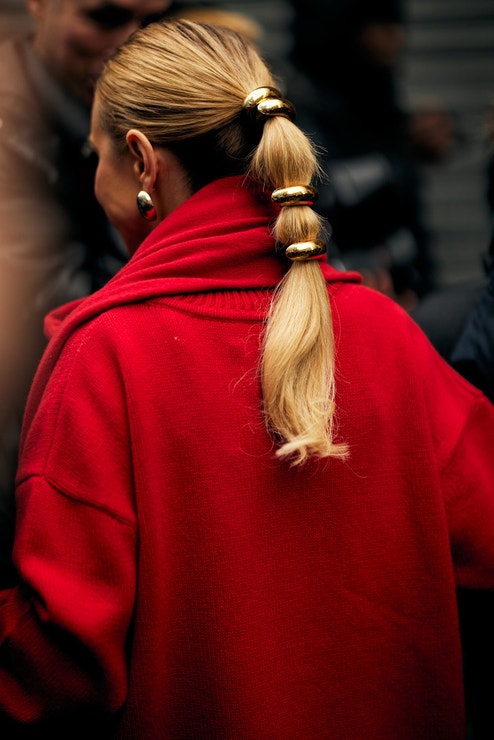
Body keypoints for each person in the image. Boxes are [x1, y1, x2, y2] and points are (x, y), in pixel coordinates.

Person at [0, 18, 494, 738]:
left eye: (95, 156)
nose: (94, 176)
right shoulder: (390, 333)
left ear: (140, 162)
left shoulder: (103, 357)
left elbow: (64, 668)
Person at [0, 0, 171, 586]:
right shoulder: (10, 126)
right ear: (39, 5)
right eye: (103, 17)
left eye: (152, 22)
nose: (130, 41)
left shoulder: (99, 107)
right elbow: (39, 307)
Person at [285, 0, 456, 309]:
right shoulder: (301, 114)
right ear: (348, 32)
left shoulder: (376, 95)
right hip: (352, 302)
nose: (397, 39)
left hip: (410, 292)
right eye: (383, 26)